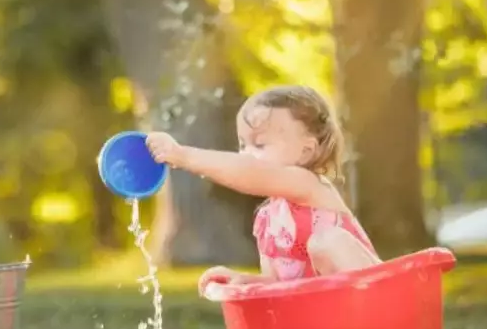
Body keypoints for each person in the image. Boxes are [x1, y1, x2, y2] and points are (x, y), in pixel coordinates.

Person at [145, 85, 381, 297]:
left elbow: (249, 171)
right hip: (332, 318)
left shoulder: (309, 185)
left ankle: (381, 304)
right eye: (242, 144)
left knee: (327, 241)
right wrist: (243, 281)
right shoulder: (267, 221)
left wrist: (182, 155)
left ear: (306, 152)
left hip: (379, 298)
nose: (247, 154)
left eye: (259, 144)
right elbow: (279, 286)